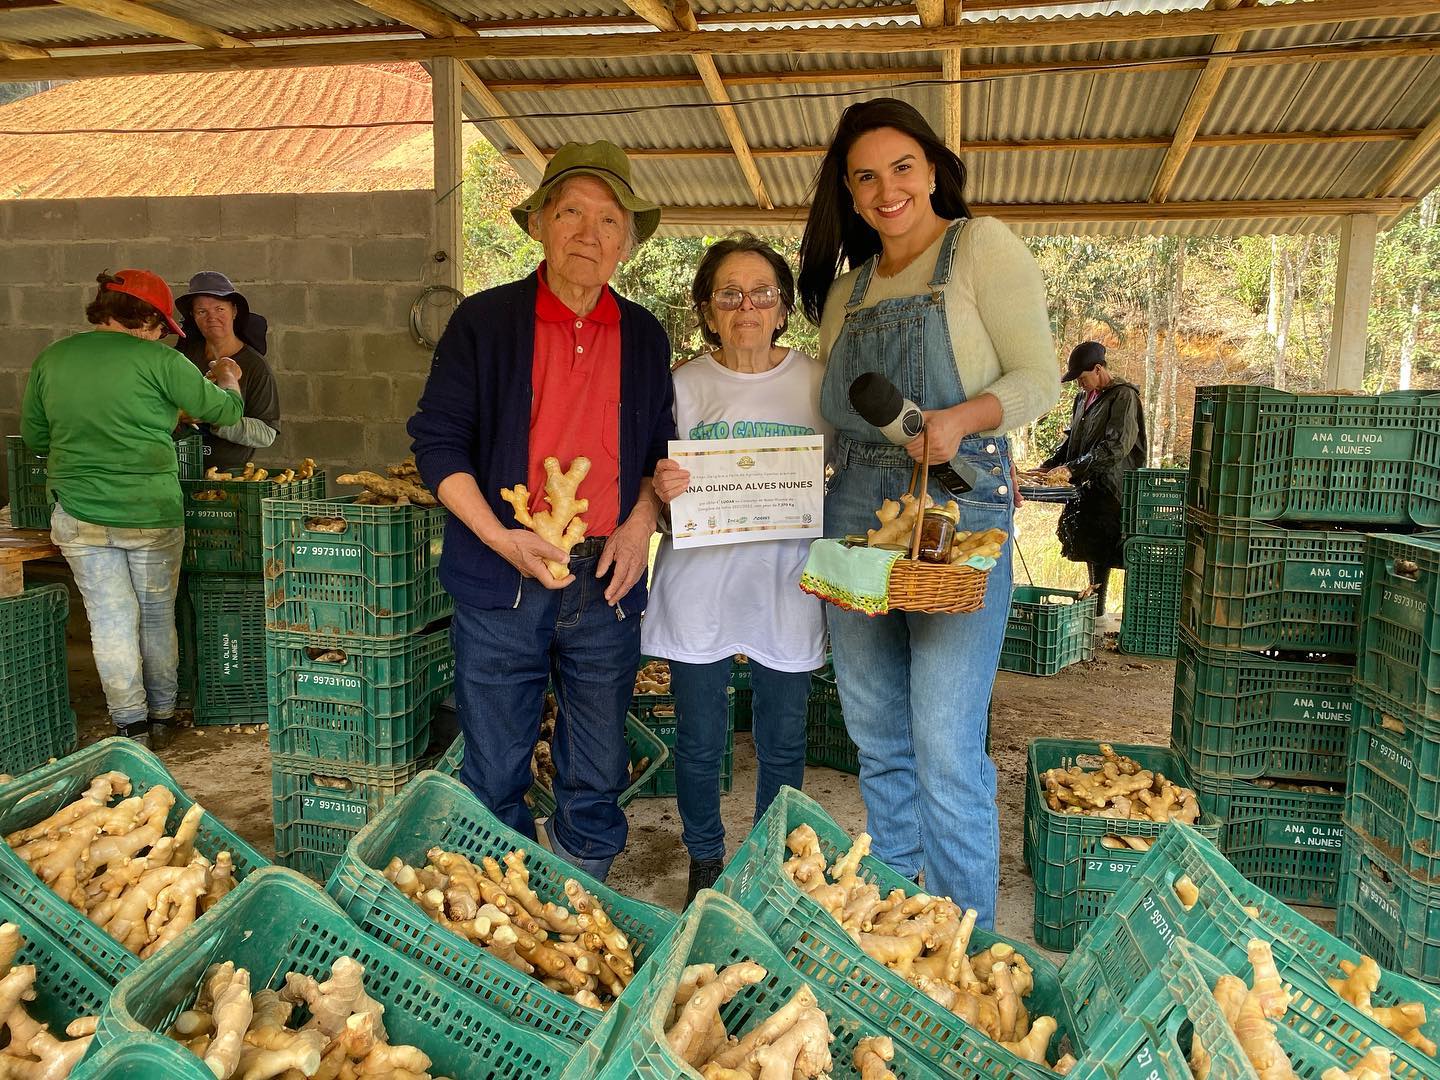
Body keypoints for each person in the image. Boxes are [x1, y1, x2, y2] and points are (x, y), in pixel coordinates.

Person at [797, 98, 1058, 926]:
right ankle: (903, 925)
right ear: (849, 190)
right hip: (854, 505)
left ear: (935, 167)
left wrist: (960, 419)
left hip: (955, 498)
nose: (887, 190)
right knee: (877, 735)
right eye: (865, 176)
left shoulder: (980, 247)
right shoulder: (847, 291)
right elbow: (824, 411)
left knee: (946, 743)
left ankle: (966, 943)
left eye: (902, 167)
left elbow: (1038, 381)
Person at [408, 141, 675, 883]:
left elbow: (661, 453)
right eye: (571, 214)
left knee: (596, 768)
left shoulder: (646, 337)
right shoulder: (485, 324)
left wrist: (639, 521)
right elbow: (436, 442)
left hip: (606, 577)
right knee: (494, 767)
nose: (589, 234)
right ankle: (503, 895)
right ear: (539, 225)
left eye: (608, 221)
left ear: (626, 240)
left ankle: (582, 887)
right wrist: (499, 538)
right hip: (503, 578)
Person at [644, 234, 830, 903]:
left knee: (782, 742)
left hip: (785, 588)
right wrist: (659, 491)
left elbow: (846, 473)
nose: (746, 306)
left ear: (782, 309)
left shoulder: (815, 382)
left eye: (761, 293)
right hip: (700, 589)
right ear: (708, 308)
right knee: (700, 742)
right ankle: (704, 858)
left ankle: (768, 863)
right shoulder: (682, 386)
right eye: (729, 294)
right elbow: (653, 493)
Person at [20, 270, 244, 749]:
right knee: (156, 614)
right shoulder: (162, 362)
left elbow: (37, 439)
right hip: (151, 514)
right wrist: (227, 376)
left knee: (110, 620)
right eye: (162, 324)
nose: (163, 334)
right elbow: (226, 414)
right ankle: (163, 713)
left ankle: (130, 724)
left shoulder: (51, 359)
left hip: (79, 513)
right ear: (143, 318)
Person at [1036, 341, 1146, 624]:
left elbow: (1116, 446)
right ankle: (1095, 613)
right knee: (1091, 548)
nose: (1080, 385)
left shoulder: (1123, 396)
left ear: (1098, 369)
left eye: (1083, 378)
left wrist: (1072, 469)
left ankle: (1124, 619)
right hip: (1088, 487)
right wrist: (1049, 465)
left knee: (1114, 549)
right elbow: (1072, 440)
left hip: (1114, 487)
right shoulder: (1082, 399)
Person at [174, 271, 281, 471]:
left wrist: (214, 417)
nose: (212, 317)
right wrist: (177, 415)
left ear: (234, 311)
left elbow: (266, 434)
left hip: (228, 476)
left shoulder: (255, 366)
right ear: (193, 316)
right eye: (201, 312)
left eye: (219, 308)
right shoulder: (181, 357)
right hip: (177, 471)